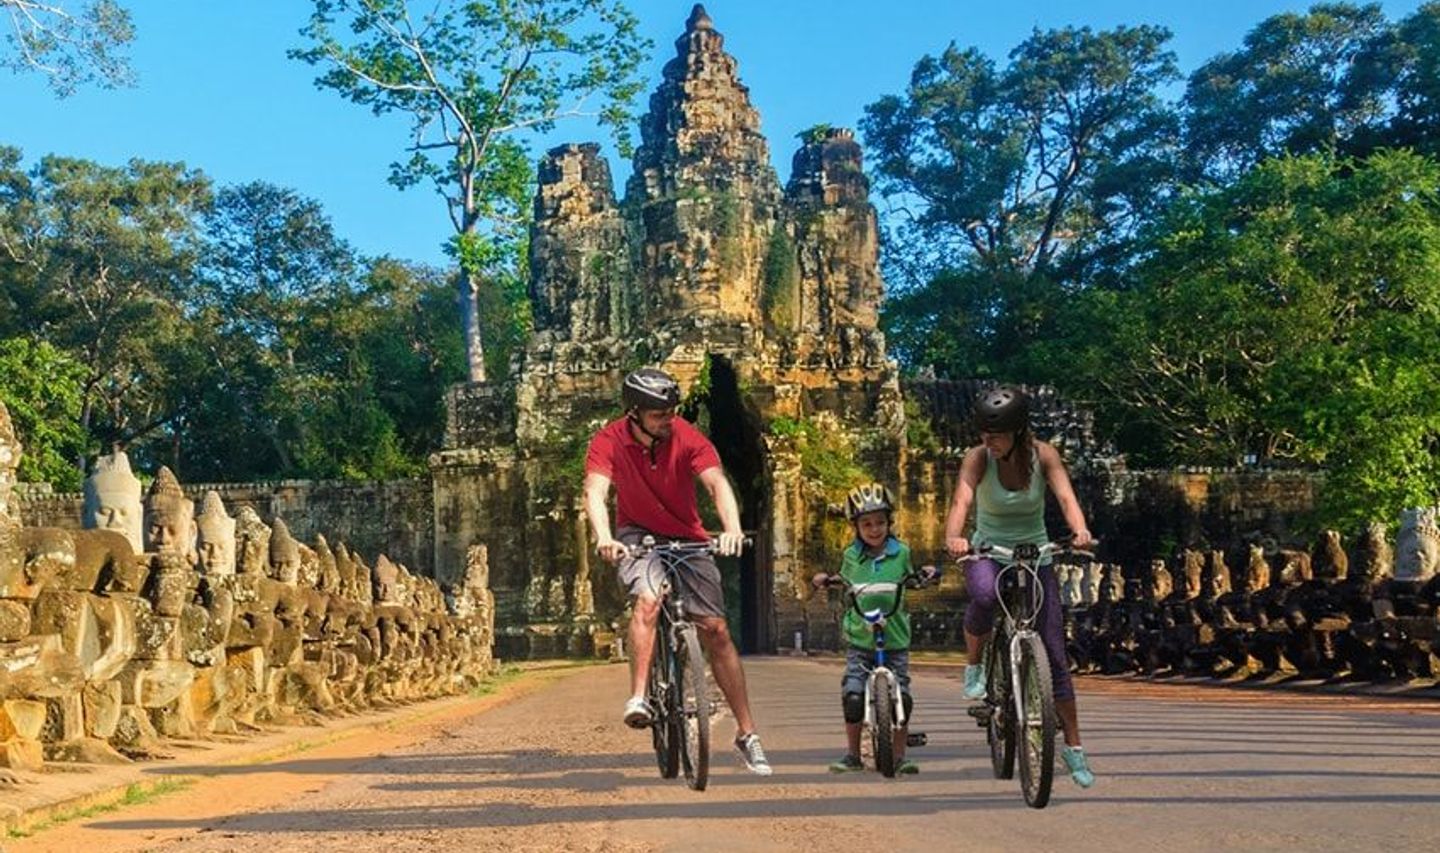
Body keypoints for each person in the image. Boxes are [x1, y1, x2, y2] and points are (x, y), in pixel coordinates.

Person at [583, 367, 772, 776]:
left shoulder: (687, 436)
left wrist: (733, 531)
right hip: (635, 536)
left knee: (716, 629)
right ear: (633, 414)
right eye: (658, 415)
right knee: (649, 601)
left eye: (671, 411)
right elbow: (595, 491)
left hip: (688, 536)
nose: (668, 420)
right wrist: (604, 536)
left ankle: (747, 733)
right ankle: (638, 698)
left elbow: (717, 484)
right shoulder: (608, 441)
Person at [943, 385, 1098, 788]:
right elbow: (961, 500)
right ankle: (975, 666)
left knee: (1055, 654)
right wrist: (954, 537)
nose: (987, 442)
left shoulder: (1044, 455)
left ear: (1017, 433)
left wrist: (1079, 529)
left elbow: (1065, 497)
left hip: (1035, 553)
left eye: (994, 435)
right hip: (988, 549)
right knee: (982, 594)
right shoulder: (978, 459)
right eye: (983, 434)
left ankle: (1074, 748)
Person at [812, 482, 935, 774]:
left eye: (880, 522)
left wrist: (927, 574)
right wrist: (825, 579)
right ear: (856, 526)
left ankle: (900, 755)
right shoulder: (851, 556)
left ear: (889, 523)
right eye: (867, 523)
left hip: (895, 636)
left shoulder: (902, 552)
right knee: (853, 696)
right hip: (861, 637)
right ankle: (853, 755)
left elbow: (915, 576)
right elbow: (840, 578)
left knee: (901, 698)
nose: (874, 529)